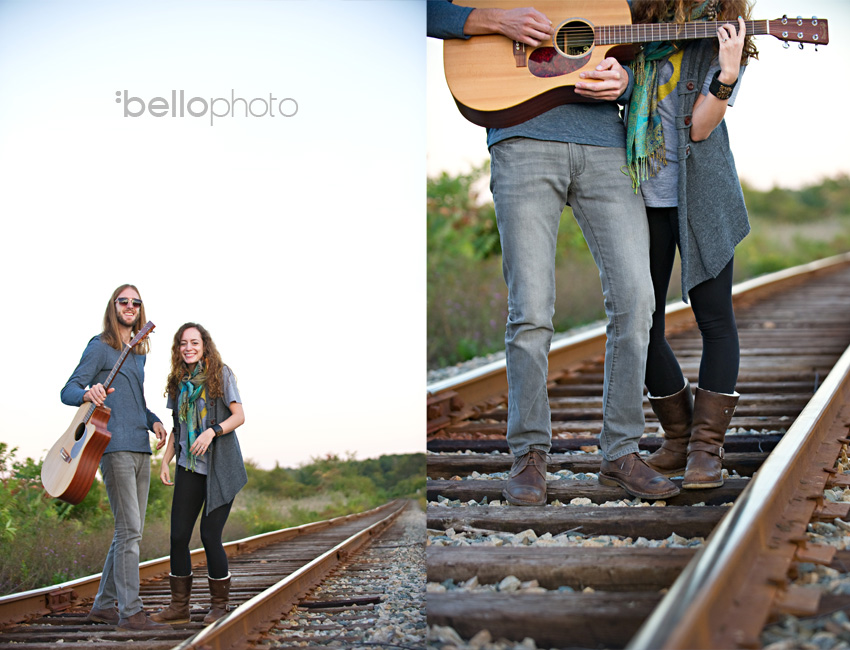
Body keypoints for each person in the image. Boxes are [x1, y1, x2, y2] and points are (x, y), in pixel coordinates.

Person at [428, 1, 679, 502]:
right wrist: (494, 19)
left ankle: (621, 452)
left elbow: (639, 60)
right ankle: (528, 455)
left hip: (606, 145)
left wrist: (625, 84)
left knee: (638, 301)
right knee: (531, 310)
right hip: (522, 140)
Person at [626, 0, 757, 489]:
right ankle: (680, 439)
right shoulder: (634, 33)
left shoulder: (724, 43)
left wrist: (727, 72)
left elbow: (700, 127)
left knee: (715, 318)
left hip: (701, 195)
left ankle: (705, 449)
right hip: (640, 196)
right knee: (641, 323)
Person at [60, 284, 169, 630]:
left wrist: (153, 421)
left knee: (129, 531)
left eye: (136, 302)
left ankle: (104, 606)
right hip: (113, 447)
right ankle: (131, 613)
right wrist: (87, 393)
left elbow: (135, 401)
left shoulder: (138, 353)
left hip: (141, 447)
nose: (130, 306)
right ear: (114, 306)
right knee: (129, 530)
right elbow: (68, 390)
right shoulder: (100, 347)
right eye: (124, 301)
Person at [153, 322, 246, 625]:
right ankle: (179, 608)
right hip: (189, 466)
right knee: (178, 536)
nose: (188, 348)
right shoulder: (178, 381)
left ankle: (219, 606)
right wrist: (166, 461)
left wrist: (212, 431)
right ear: (177, 348)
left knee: (209, 535)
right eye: (183, 343)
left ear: (204, 345)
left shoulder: (221, 374)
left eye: (194, 342)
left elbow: (239, 416)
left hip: (219, 467)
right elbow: (178, 427)